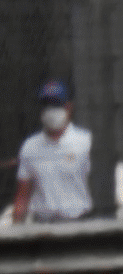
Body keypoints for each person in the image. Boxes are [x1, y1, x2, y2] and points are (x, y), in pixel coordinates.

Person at [12, 80, 92, 224]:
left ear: (68, 107)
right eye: (47, 105)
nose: (51, 110)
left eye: (56, 105)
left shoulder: (85, 142)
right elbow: (22, 196)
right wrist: (15, 231)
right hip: (42, 225)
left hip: (78, 223)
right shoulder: (30, 146)